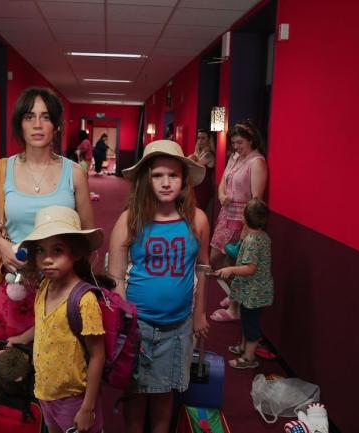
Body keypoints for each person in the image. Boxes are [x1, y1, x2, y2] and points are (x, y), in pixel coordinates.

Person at [107, 140, 210, 433]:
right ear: (146, 179)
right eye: (157, 176)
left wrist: (200, 313)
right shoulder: (130, 219)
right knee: (136, 394)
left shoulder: (197, 220)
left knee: (165, 394)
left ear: (184, 179)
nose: (166, 183)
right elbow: (115, 277)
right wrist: (127, 321)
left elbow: (202, 268)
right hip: (139, 325)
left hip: (178, 326)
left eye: (173, 175)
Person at [0, 86, 95, 343]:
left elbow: (88, 235)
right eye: (29, 117)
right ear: (19, 124)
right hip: (17, 285)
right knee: (12, 359)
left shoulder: (74, 173)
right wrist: (2, 246)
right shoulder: (1, 170)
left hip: (62, 287)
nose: (37, 124)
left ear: (56, 125)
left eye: (46, 117)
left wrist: (62, 261)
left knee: (59, 360)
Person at [17, 205, 106, 433]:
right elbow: (47, 324)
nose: (47, 259)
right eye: (40, 251)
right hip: (45, 393)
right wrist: (22, 338)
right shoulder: (43, 288)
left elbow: (98, 355)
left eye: (57, 250)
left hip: (74, 399)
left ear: (75, 252)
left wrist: (87, 407)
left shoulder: (84, 300)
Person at [209, 119, 268, 322]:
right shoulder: (234, 157)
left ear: (251, 140)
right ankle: (233, 296)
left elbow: (256, 199)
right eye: (233, 143)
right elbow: (222, 181)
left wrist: (247, 229)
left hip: (242, 219)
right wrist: (221, 195)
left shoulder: (256, 161)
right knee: (215, 258)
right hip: (226, 214)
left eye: (240, 142)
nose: (236, 147)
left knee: (234, 263)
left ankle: (234, 309)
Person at [213, 199, 273, 369]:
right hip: (253, 291)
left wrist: (230, 269)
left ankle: (248, 358)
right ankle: (243, 347)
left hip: (253, 292)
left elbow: (250, 268)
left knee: (251, 325)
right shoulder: (263, 236)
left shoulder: (252, 241)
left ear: (244, 218)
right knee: (246, 320)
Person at [187, 128, 216, 211]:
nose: (200, 141)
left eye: (203, 138)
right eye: (198, 138)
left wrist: (191, 158)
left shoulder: (209, 154)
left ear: (209, 140)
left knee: (198, 211)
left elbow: (194, 166)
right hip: (196, 186)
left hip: (204, 188)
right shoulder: (198, 153)